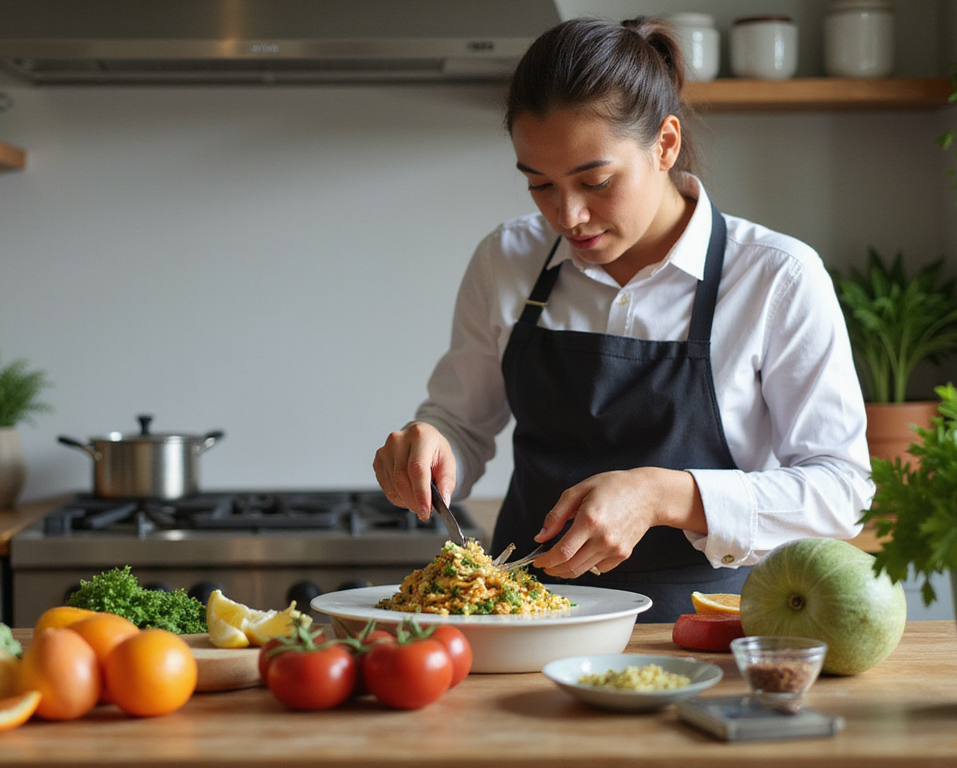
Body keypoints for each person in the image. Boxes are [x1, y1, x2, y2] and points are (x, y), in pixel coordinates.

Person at [371, 16, 873, 623]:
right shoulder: (507, 260)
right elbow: (463, 423)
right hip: (525, 621)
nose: (569, 214)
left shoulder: (776, 278)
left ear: (665, 144)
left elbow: (843, 492)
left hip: (707, 624)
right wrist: (433, 442)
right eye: (539, 185)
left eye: (596, 181)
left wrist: (666, 495)